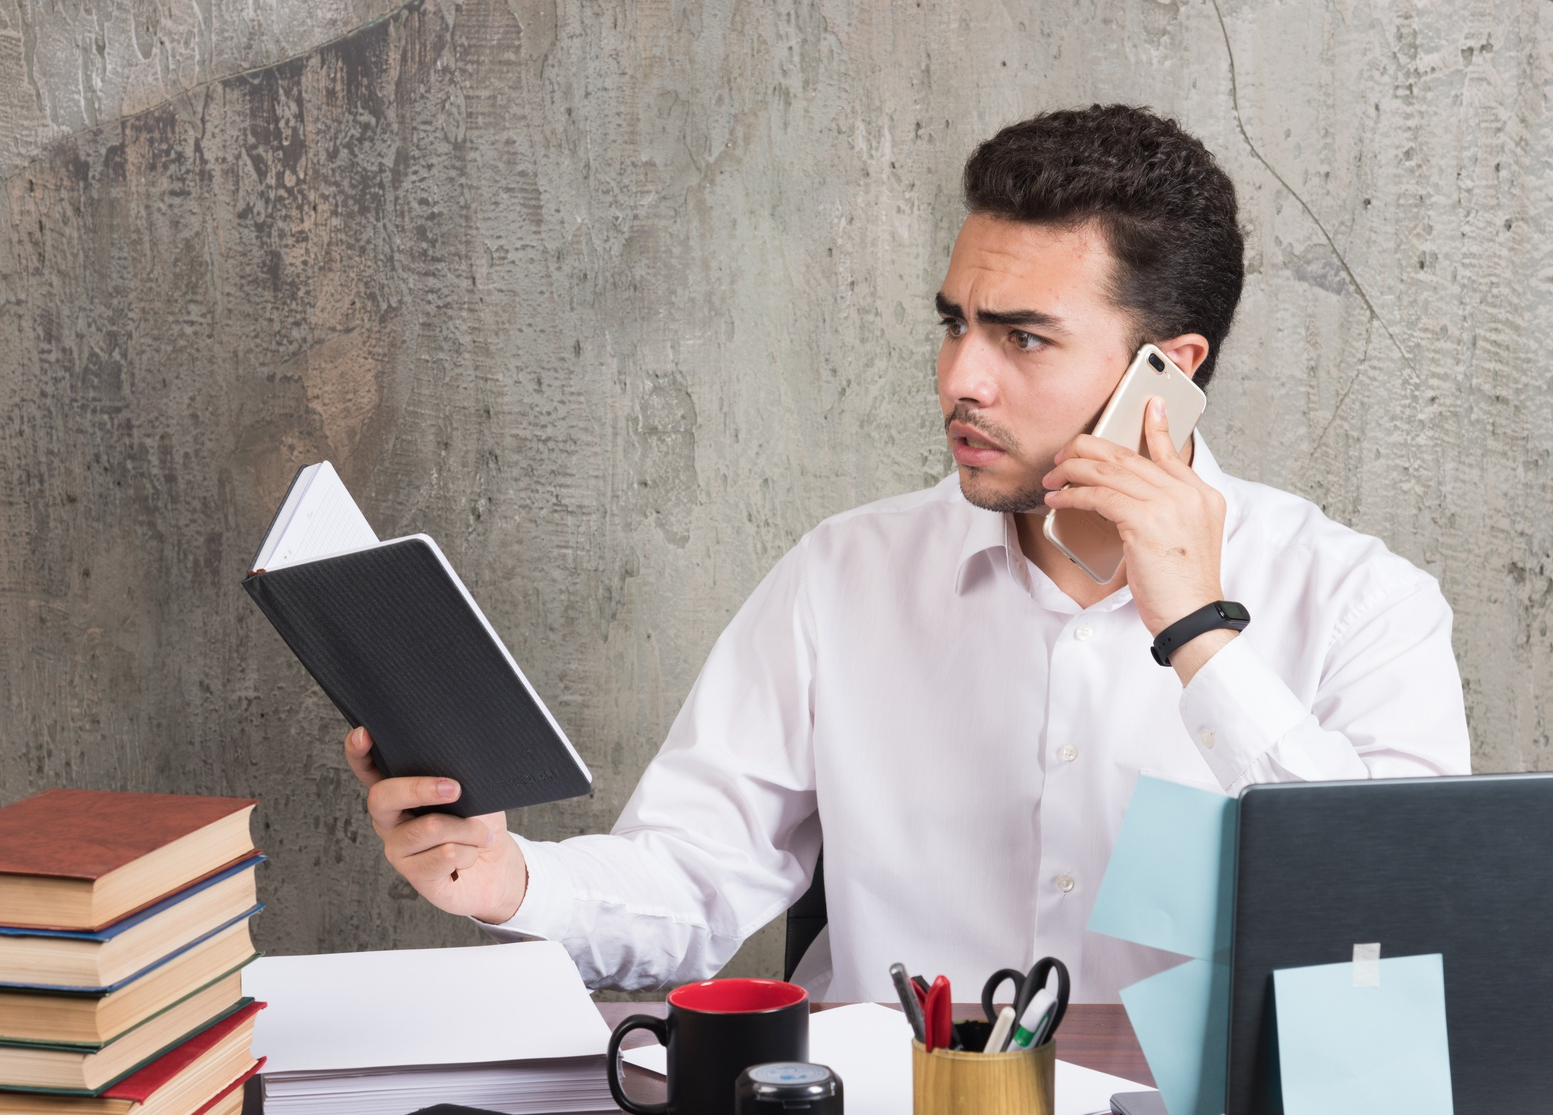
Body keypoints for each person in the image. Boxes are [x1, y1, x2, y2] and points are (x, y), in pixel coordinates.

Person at [345, 105, 1470, 1000]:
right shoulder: (843, 577)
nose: (959, 380)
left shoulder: (1361, 599)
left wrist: (1200, 639)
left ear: (1167, 371)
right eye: (954, 324)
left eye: (1022, 337)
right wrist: (507, 878)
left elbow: (1403, 920)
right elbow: (692, 880)